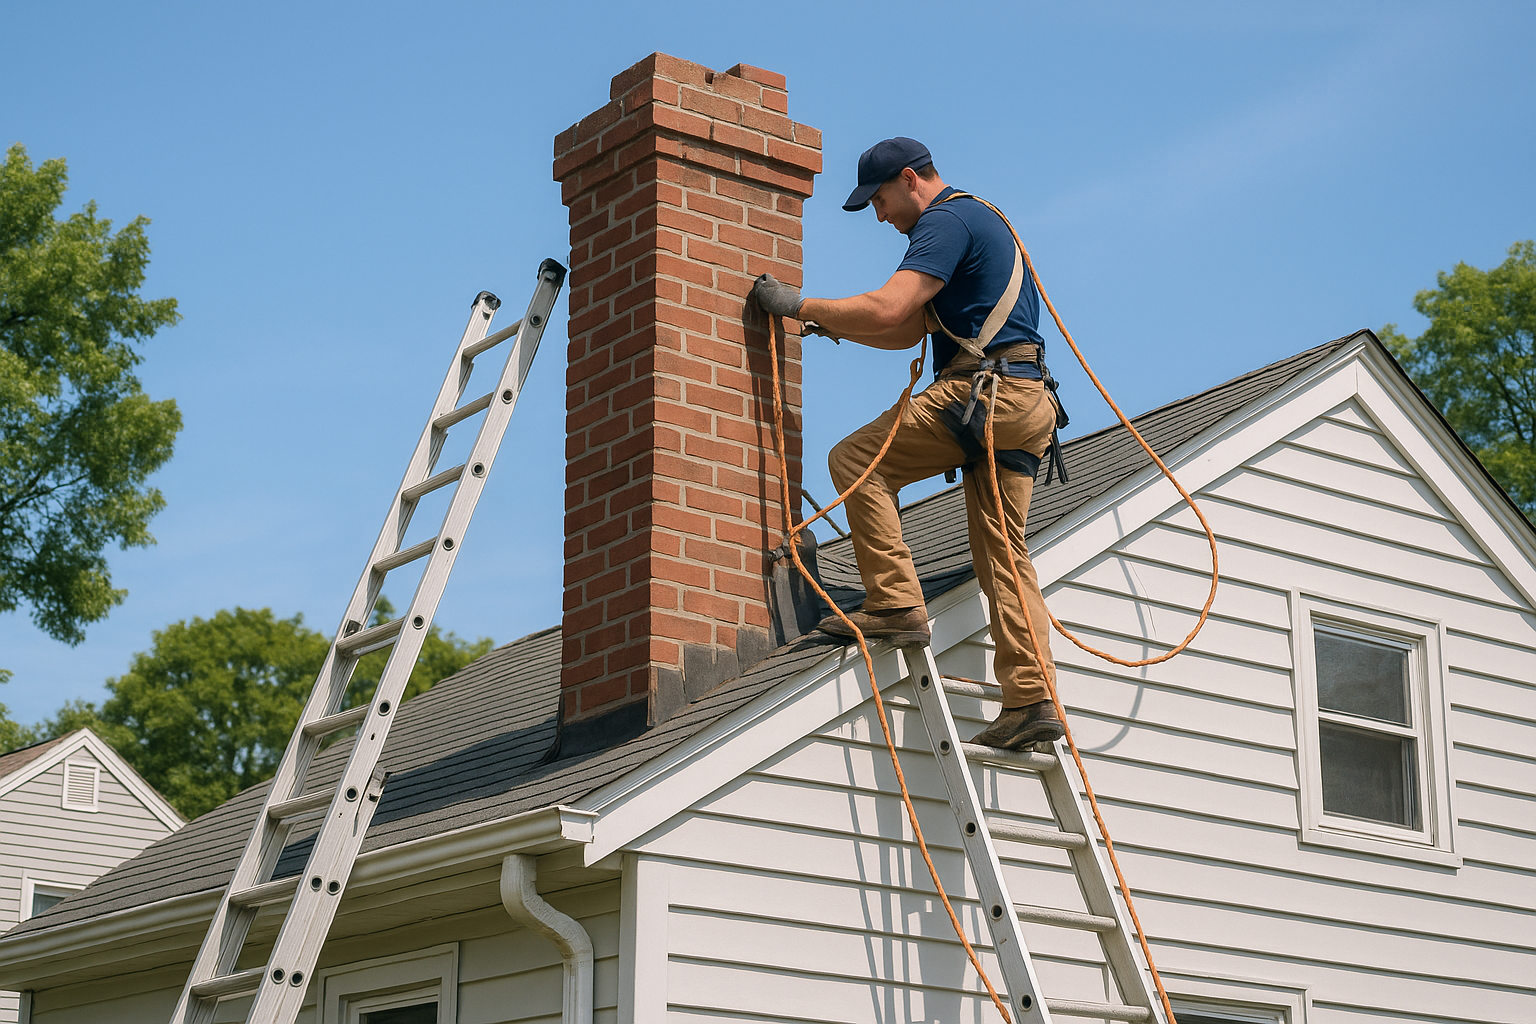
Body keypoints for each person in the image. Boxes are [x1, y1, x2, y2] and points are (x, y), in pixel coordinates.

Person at [751, 137, 1065, 750]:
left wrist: (796, 305)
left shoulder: (945, 220)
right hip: (1027, 404)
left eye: (881, 199)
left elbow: (891, 304)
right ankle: (1031, 700)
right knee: (1005, 554)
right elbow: (901, 330)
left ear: (910, 179)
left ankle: (894, 603)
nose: (880, 215)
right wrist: (824, 322)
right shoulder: (980, 220)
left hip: (986, 398)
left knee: (854, 459)